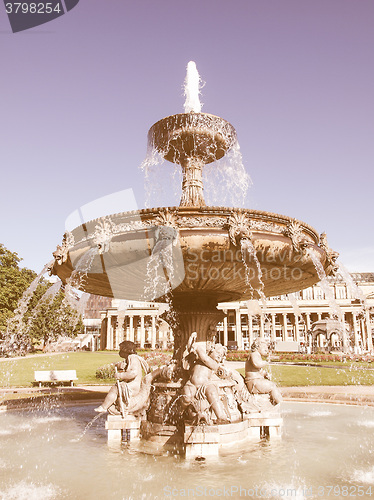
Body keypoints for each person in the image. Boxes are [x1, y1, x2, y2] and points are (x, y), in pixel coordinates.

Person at [181, 333, 230, 424]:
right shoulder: (198, 358)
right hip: (191, 383)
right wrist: (191, 338)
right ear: (211, 350)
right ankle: (181, 414)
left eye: (221, 356)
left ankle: (221, 416)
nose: (219, 356)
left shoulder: (213, 364)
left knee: (212, 393)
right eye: (218, 353)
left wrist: (198, 348)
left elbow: (205, 359)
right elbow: (190, 349)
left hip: (205, 385)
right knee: (186, 396)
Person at [94, 340, 149, 414]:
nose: (119, 352)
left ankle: (104, 407)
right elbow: (125, 366)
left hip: (133, 386)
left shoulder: (133, 358)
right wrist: (119, 366)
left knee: (115, 388)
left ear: (125, 350)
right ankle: (115, 406)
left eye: (121, 349)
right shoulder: (129, 358)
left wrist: (121, 375)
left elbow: (133, 373)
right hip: (131, 385)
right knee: (117, 390)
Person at [245, 339, 282, 406]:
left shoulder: (257, 355)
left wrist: (265, 374)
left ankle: (272, 404)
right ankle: (279, 404)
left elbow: (258, 370)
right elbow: (257, 364)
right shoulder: (254, 354)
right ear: (257, 346)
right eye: (264, 347)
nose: (267, 350)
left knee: (272, 386)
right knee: (272, 386)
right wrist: (266, 362)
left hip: (255, 382)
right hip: (253, 382)